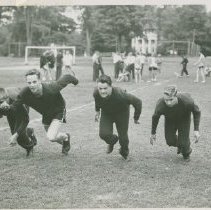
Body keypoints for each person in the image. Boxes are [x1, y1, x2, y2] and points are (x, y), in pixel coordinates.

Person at [1, 69, 79, 155]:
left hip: (58, 111)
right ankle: (65, 139)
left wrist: (76, 81)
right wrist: (7, 106)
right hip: (46, 114)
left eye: (34, 82)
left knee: (51, 137)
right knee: (53, 136)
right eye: (29, 83)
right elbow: (14, 107)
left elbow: (66, 77)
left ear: (40, 81)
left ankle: (66, 137)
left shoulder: (51, 88)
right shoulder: (25, 93)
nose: (32, 85)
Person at [93, 75, 142, 159]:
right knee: (103, 134)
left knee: (123, 138)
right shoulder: (96, 93)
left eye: (105, 88)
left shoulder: (121, 94)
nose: (102, 91)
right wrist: (97, 111)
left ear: (111, 87)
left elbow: (138, 102)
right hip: (107, 113)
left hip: (122, 113)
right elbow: (97, 100)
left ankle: (124, 152)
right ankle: (112, 141)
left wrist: (136, 118)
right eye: (100, 88)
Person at [150, 85, 201, 161]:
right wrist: (153, 133)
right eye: (166, 100)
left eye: (171, 99)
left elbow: (196, 112)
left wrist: (196, 130)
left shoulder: (186, 101)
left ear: (176, 96)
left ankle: (186, 153)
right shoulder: (161, 104)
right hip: (170, 120)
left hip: (184, 118)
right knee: (170, 141)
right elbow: (155, 117)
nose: (168, 103)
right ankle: (181, 145)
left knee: (183, 142)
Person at [0, 87, 37, 157]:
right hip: (10, 110)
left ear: (7, 98)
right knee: (14, 133)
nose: (2, 104)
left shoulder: (17, 100)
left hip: (20, 110)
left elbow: (25, 120)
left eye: (2, 102)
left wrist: (16, 135)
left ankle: (30, 146)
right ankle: (29, 131)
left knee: (18, 134)